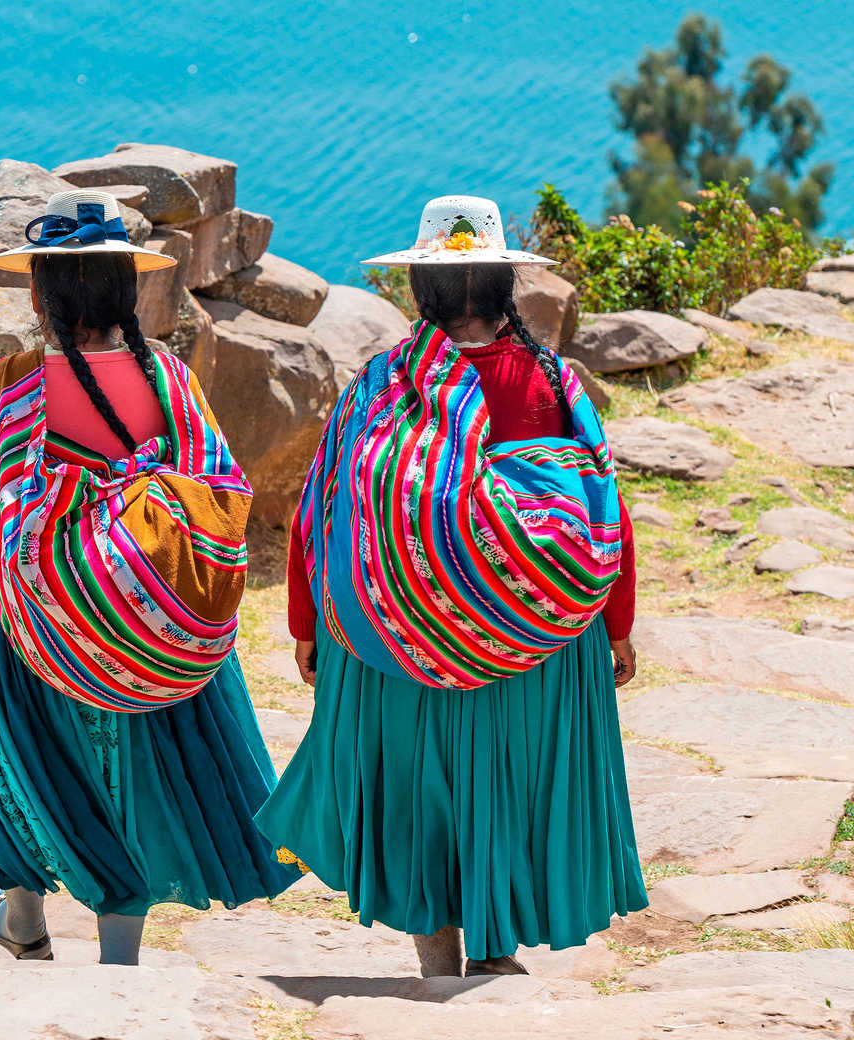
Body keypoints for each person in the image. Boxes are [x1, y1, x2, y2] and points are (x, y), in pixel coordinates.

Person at [256, 195, 646, 977]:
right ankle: (496, 952)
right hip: (540, 636)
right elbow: (606, 509)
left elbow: (326, 507)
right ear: (506, 284)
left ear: (419, 291)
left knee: (416, 790)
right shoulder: (554, 383)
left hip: (395, 635)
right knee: (508, 786)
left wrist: (309, 624)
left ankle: (438, 956)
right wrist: (618, 624)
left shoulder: (385, 384)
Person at [0, 188, 299, 966]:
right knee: (134, 768)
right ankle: (119, 952)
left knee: (6, 745)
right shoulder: (171, 385)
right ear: (130, 290)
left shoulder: (2, 390)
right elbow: (215, 501)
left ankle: (21, 908)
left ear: (37, 291)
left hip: (28, 637)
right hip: (147, 616)